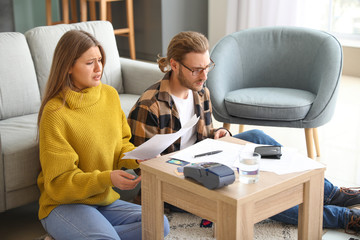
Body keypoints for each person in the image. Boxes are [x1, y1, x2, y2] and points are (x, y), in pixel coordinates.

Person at [127, 31, 360, 233]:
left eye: (207, 67)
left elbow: (203, 136)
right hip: (177, 181)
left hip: (203, 158)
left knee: (257, 138)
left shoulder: (200, 91)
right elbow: (144, 169)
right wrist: (153, 162)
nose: (205, 76)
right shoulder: (150, 105)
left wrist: (218, 135)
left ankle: (331, 193)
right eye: (197, 70)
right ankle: (343, 218)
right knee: (254, 191)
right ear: (175, 64)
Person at [37, 30, 170, 240]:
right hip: (64, 205)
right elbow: (59, 183)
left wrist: (137, 156)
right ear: (69, 67)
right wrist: (106, 178)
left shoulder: (109, 95)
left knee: (159, 224)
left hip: (102, 200)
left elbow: (122, 145)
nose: (99, 68)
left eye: (100, 60)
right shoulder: (55, 113)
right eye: (90, 62)